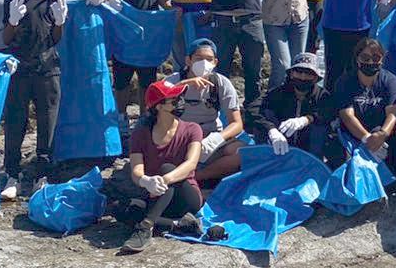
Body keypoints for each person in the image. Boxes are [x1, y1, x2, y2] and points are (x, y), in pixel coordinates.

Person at [111, 80, 221, 255]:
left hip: (185, 195)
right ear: (159, 106)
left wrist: (164, 180)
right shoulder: (140, 133)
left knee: (167, 169)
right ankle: (179, 225)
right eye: (175, 99)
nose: (181, 102)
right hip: (156, 196)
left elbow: (190, 164)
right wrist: (146, 180)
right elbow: (136, 170)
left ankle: (146, 227)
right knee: (118, 208)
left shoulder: (192, 129)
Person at [1, 0, 67, 199]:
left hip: (49, 67)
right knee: (16, 121)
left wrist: (60, 22)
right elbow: (6, 38)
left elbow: (55, 38)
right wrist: (13, 21)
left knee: (47, 121)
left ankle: (43, 174)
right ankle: (12, 175)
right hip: (20, 68)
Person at [167, 37, 246, 184]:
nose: (204, 63)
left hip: (209, 136)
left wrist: (217, 138)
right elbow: (154, 106)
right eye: (199, 58)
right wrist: (183, 85)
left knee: (240, 152)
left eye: (209, 59)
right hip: (180, 136)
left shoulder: (221, 83)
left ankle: (197, 176)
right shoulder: (173, 80)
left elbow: (236, 123)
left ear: (215, 62)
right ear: (188, 60)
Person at [330, 38, 396, 166]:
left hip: (381, 133)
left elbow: (392, 114)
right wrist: (367, 139)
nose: (370, 62)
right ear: (357, 59)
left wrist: (382, 134)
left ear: (382, 59)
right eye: (365, 58)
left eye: (376, 58)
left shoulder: (390, 81)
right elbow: (347, 116)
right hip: (352, 133)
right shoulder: (344, 81)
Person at [257, 51, 332, 159]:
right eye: (299, 71)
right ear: (291, 74)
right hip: (280, 148)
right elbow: (254, 108)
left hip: (310, 152)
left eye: (308, 73)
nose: (303, 77)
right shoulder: (277, 93)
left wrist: (307, 119)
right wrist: (271, 129)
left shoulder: (323, 96)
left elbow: (330, 112)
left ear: (316, 77)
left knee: (320, 128)